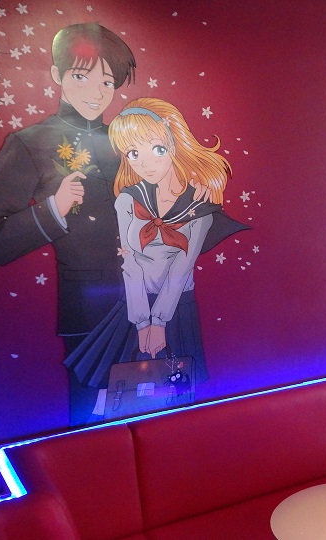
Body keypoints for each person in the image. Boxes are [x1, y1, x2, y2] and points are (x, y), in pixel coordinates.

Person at [0, 22, 138, 425]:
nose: (96, 93)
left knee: (155, 401)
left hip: (150, 297)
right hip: (88, 305)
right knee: (93, 417)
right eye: (81, 77)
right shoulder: (31, 142)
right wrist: (54, 207)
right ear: (57, 75)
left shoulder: (127, 142)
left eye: (107, 82)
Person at [64, 97, 246, 413]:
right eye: (133, 154)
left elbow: (182, 267)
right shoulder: (128, 199)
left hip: (176, 306)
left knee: (175, 393)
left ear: (172, 145)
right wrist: (142, 321)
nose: (145, 163)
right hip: (134, 305)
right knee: (115, 397)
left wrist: (159, 321)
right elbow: (130, 263)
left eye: (156, 149)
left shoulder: (199, 205)